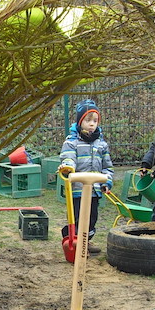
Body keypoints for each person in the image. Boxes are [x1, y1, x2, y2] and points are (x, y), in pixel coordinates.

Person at [57, 99, 114, 253]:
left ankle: (85, 242)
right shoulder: (72, 142)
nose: (92, 124)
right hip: (77, 189)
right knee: (76, 218)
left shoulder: (101, 144)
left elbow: (107, 167)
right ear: (80, 122)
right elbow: (69, 158)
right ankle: (73, 241)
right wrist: (68, 167)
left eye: (95, 121)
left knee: (91, 219)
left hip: (94, 189)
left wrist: (106, 182)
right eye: (88, 120)